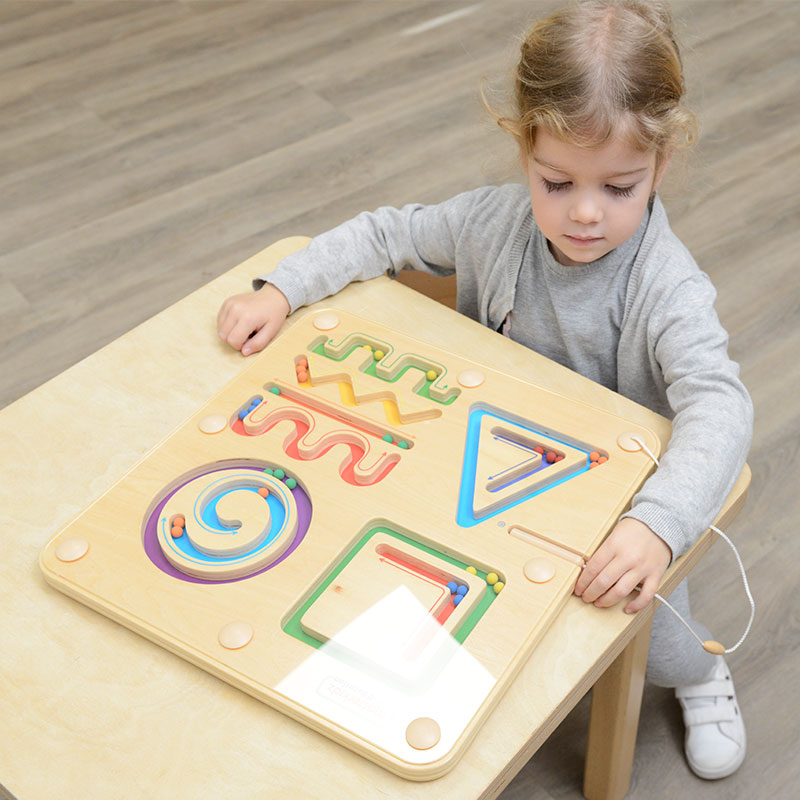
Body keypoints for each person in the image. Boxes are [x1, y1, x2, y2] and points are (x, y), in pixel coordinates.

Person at [217, 0, 752, 780]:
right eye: (557, 181)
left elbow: (723, 403)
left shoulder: (667, 288)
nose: (585, 213)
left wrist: (657, 527)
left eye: (620, 187)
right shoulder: (489, 223)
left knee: (655, 635)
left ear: (661, 167)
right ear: (522, 144)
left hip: (611, 511)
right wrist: (282, 289)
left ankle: (703, 675)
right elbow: (383, 234)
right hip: (476, 469)